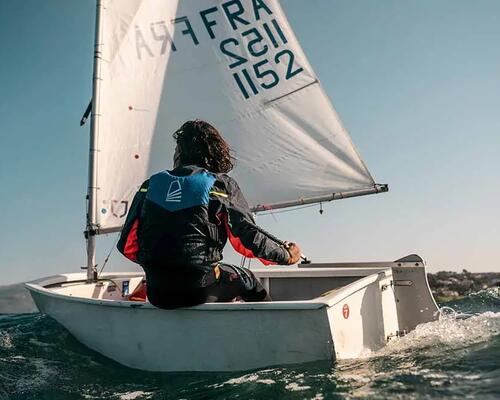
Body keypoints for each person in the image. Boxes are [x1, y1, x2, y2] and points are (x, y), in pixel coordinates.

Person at [117, 120, 301, 309]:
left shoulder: (150, 185)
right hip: (200, 290)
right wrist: (286, 256)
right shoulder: (220, 185)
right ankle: (269, 333)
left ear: (180, 152)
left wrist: (162, 267)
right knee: (248, 279)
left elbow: (127, 245)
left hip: (159, 294)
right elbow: (247, 237)